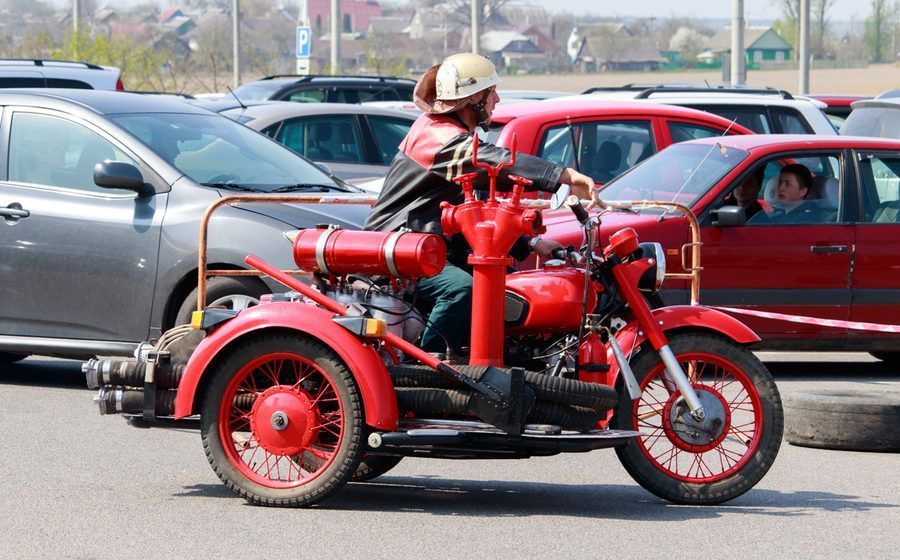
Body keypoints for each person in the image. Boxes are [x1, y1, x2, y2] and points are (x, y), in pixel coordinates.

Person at [364, 53, 599, 355]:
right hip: (401, 251)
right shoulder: (438, 137)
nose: (497, 99)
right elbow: (495, 163)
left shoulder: (449, 135)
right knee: (463, 289)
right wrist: (565, 176)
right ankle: (427, 367)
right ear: (474, 97)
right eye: (491, 92)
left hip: (426, 247)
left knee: (509, 285)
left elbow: (470, 214)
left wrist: (531, 243)